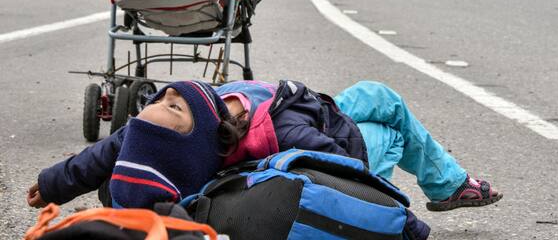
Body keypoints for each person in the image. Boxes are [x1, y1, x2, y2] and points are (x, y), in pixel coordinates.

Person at [28, 80, 502, 216]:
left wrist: (54, 183)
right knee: (394, 132)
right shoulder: (274, 135)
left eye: (166, 98)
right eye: (173, 107)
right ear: (204, 136)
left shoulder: (202, 112)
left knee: (379, 95)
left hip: (318, 107)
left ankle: (451, 183)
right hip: (338, 140)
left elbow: (111, 148)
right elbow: (344, 169)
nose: (166, 97)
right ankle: (449, 186)